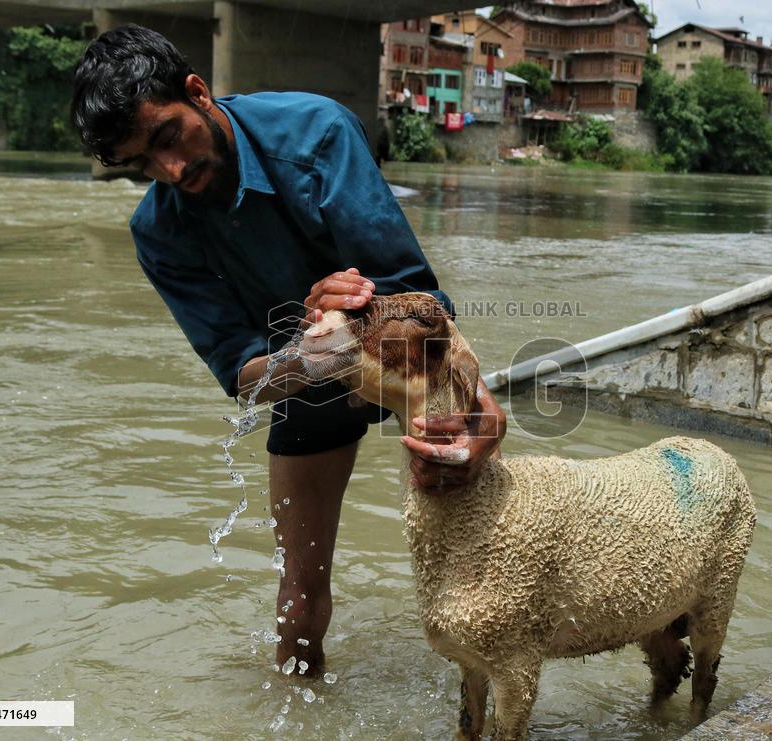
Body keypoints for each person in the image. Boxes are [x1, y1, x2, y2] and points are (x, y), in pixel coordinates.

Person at [70, 24, 506, 673]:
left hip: (403, 351)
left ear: (198, 92)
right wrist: (307, 349)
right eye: (142, 165)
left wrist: (353, 324)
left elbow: (423, 304)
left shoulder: (317, 133)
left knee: (486, 576)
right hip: (308, 377)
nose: (170, 170)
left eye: (167, 137)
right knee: (299, 609)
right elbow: (246, 376)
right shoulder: (158, 231)